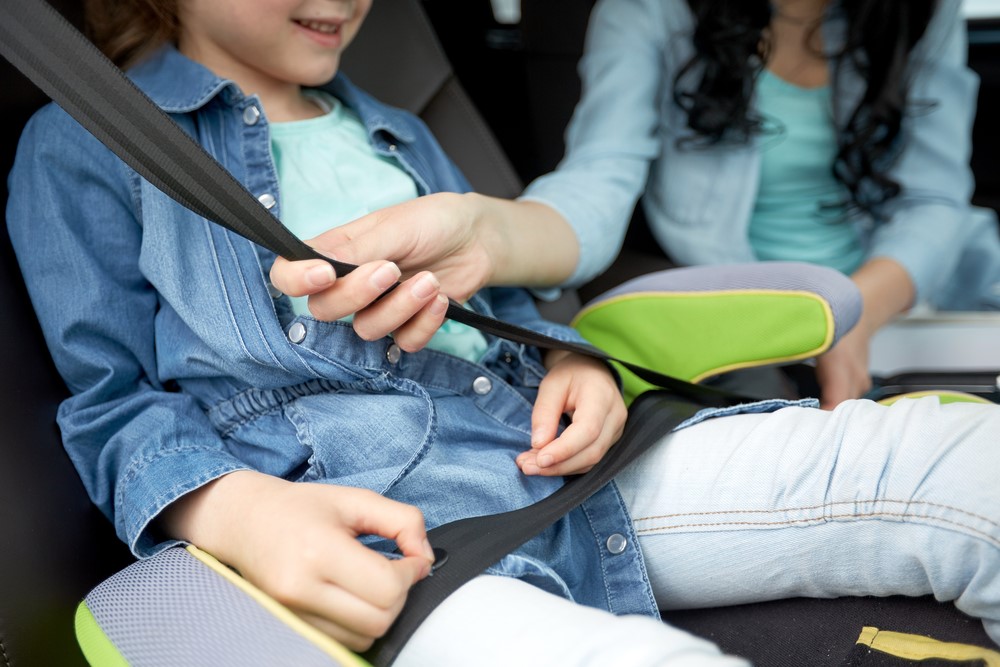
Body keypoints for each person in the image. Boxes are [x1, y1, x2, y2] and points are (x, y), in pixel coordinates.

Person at [7, 0, 1000, 664]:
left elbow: (502, 312)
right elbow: (110, 399)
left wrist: (576, 360)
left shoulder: (392, 126)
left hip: (554, 459)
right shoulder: (88, 140)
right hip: (387, 532)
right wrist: (228, 510)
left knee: (955, 462)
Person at [286, 0, 1000, 409]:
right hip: (745, 291)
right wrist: (490, 232)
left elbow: (937, 202)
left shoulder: (917, 12)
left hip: (921, 290)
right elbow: (597, 180)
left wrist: (855, 313)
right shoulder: (652, 9)